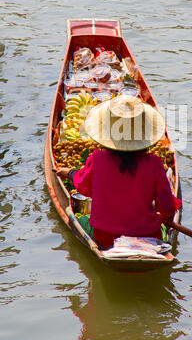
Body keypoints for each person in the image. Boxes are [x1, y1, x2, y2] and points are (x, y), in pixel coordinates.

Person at [55, 95, 181, 249]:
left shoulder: (97, 159)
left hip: (105, 238)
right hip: (147, 236)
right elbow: (167, 210)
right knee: (162, 229)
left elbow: (83, 187)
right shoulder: (154, 163)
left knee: (82, 220)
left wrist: (70, 173)